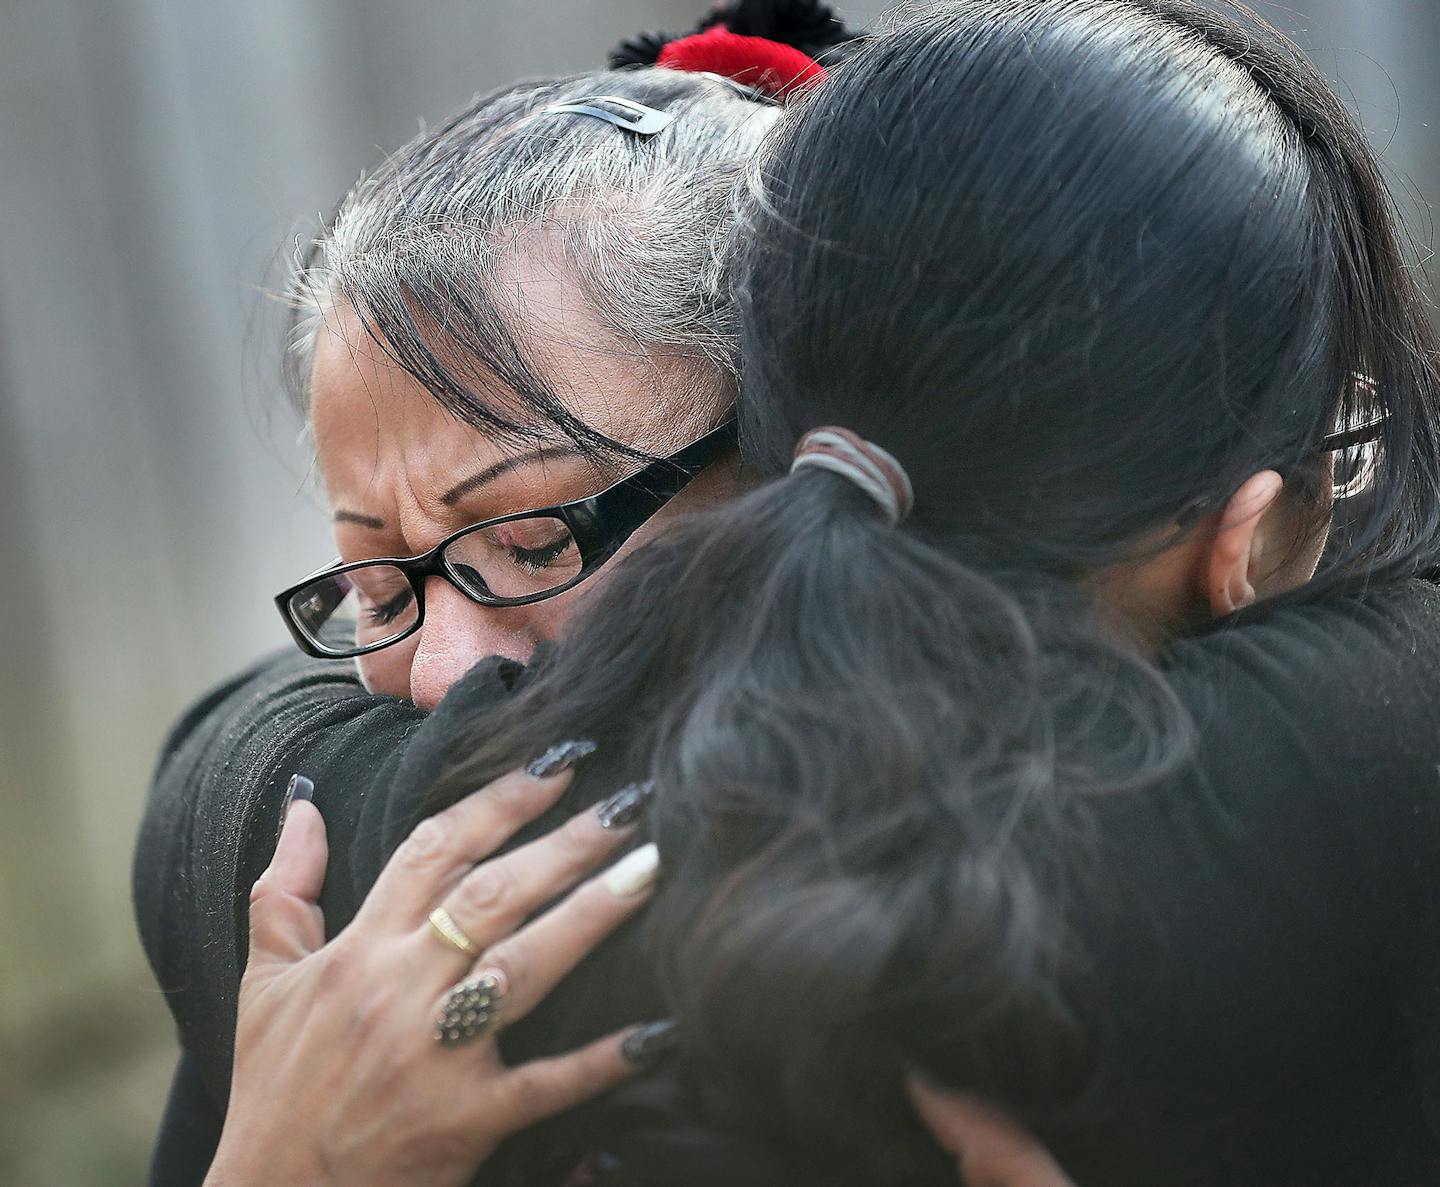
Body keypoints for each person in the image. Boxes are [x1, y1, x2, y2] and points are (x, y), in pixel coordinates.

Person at [142, 0, 1440, 1183]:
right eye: (376, 583)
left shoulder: (1290, 804)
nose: (434, 680)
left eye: (536, 544)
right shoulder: (312, 961)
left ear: (800, 449)